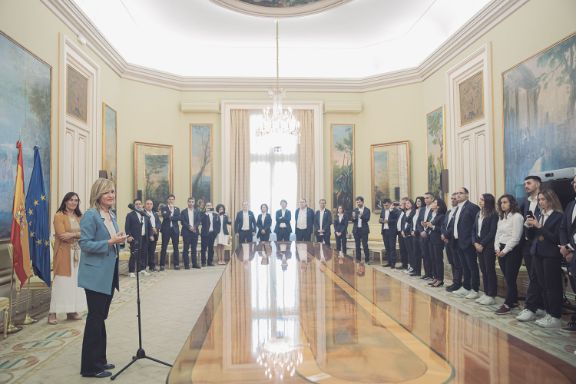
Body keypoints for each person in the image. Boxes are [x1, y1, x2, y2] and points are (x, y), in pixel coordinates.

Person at [78, 178, 126, 378]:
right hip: (95, 274)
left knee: (100, 318)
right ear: (98, 194)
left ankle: (100, 360)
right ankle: (89, 367)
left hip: (109, 274)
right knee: (95, 318)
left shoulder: (111, 214)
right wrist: (110, 241)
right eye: (107, 192)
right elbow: (85, 244)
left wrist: (121, 240)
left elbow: (113, 242)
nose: (111, 195)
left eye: (113, 192)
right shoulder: (90, 215)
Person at [521, 189, 564, 328]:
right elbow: (535, 236)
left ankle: (555, 316)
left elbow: (556, 238)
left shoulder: (558, 216)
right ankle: (548, 313)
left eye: (543, 199)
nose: (540, 202)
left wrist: (539, 226)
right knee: (543, 285)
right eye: (539, 200)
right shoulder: (539, 214)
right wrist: (529, 226)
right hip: (537, 253)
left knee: (553, 286)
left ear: (551, 200)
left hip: (551, 255)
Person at [48, 192, 86, 325]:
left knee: (75, 283)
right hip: (64, 254)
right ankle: (52, 312)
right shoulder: (59, 216)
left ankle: (71, 311)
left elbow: (86, 233)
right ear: (65, 201)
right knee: (62, 282)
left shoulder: (79, 217)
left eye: (76, 200)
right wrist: (77, 234)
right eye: (71, 200)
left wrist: (73, 234)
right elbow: (62, 235)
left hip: (77, 254)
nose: (73, 202)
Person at [519, 175, 546, 318]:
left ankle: (530, 307)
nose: (526, 186)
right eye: (524, 184)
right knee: (533, 275)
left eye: (529, 183)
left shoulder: (545, 200)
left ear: (538, 184)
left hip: (541, 243)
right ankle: (539, 306)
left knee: (537, 276)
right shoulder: (525, 201)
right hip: (527, 244)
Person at [494, 194, 524, 315]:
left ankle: (508, 303)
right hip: (500, 248)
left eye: (505, 202)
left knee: (510, 278)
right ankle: (514, 300)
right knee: (507, 277)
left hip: (512, 251)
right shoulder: (502, 217)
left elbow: (516, 238)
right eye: (501, 203)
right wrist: (496, 248)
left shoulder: (517, 217)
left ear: (511, 203)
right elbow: (497, 234)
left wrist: (504, 251)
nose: (503, 205)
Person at [451, 187, 480, 299]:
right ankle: (466, 287)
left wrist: (473, 241)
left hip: (468, 242)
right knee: (464, 266)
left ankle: (475, 289)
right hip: (458, 242)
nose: (458, 195)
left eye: (461, 193)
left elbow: (476, 225)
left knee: (472, 266)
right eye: (457, 193)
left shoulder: (472, 207)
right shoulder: (457, 208)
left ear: (467, 195)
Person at [472, 193, 498, 305]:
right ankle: (486, 293)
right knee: (483, 270)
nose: (480, 201)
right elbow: (473, 230)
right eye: (480, 199)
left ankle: (491, 295)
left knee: (489, 270)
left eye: (482, 200)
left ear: (488, 201)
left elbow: (492, 232)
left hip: (488, 246)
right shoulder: (478, 213)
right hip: (478, 245)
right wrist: (475, 243)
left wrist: (482, 244)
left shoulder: (493, 214)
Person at [559, 175, 576, 332]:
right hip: (570, 254)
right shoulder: (571, 204)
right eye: (574, 182)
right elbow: (564, 227)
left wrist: (569, 247)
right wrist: (565, 247)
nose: (575, 184)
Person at [125, 198, 152, 276]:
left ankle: (142, 269)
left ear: (142, 205)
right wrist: (129, 236)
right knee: (134, 254)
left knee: (144, 254)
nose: (138, 205)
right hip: (135, 238)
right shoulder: (130, 215)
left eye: (139, 204)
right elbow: (127, 227)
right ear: (134, 205)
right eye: (136, 204)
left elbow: (149, 226)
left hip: (144, 237)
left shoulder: (145, 214)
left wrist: (150, 235)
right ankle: (131, 271)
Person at [423, 198, 447, 287]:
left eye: (434, 202)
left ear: (439, 205)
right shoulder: (433, 214)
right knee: (433, 259)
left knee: (438, 260)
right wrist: (426, 225)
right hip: (430, 239)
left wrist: (432, 226)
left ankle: (440, 279)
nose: (432, 203)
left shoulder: (442, 216)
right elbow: (430, 226)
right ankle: (435, 277)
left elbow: (442, 229)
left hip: (437, 240)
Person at [442, 193, 463, 292]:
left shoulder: (459, 211)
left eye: (454, 198)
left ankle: (458, 283)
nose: (453, 200)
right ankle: (455, 281)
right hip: (446, 241)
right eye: (451, 199)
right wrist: (443, 234)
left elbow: (453, 227)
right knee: (451, 262)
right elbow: (444, 224)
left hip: (453, 240)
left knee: (457, 262)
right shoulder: (449, 211)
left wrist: (446, 235)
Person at [416, 193, 435, 278]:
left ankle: (433, 274)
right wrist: (421, 231)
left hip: (430, 235)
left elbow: (434, 222)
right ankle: (427, 273)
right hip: (422, 235)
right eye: (425, 198)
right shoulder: (422, 209)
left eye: (427, 198)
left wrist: (426, 231)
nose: (425, 200)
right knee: (424, 255)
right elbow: (418, 222)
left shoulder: (434, 209)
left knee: (431, 255)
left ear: (432, 199)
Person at [159, 194, 180, 271]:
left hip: (175, 230)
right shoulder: (163, 208)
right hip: (166, 230)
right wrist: (170, 211)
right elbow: (165, 216)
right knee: (164, 247)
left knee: (176, 247)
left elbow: (178, 217)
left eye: (172, 199)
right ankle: (162, 265)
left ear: (174, 200)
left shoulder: (177, 209)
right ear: (167, 200)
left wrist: (171, 217)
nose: (171, 200)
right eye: (170, 199)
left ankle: (176, 264)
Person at [181, 197, 201, 269]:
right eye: (190, 202)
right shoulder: (183, 211)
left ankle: (194, 264)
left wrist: (194, 227)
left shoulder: (197, 211)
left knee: (194, 249)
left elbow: (198, 221)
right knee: (186, 249)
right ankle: (186, 265)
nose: (191, 203)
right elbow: (182, 222)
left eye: (192, 202)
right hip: (186, 232)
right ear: (187, 202)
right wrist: (190, 227)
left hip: (195, 232)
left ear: (194, 203)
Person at [380, 198, 400, 268]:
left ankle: (393, 263)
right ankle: (389, 262)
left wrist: (388, 221)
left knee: (392, 247)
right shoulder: (382, 210)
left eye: (386, 205)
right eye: (384, 205)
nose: (385, 207)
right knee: (387, 248)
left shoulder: (395, 211)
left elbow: (396, 220)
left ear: (390, 204)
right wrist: (381, 220)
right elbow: (381, 218)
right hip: (384, 231)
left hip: (391, 231)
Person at [200, 202, 220, 266]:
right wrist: (206, 213)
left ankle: (210, 262)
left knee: (211, 249)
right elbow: (201, 221)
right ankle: (203, 262)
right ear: (205, 207)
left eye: (210, 205)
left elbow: (218, 224)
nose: (209, 206)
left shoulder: (215, 214)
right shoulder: (203, 214)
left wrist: (216, 232)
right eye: (207, 205)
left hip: (212, 234)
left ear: (212, 206)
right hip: (204, 234)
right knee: (203, 249)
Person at [352, 196, 371, 264]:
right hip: (356, 230)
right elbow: (353, 220)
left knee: (365, 245)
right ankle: (358, 259)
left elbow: (367, 219)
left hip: (364, 230)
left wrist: (361, 215)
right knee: (357, 246)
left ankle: (367, 260)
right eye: (357, 202)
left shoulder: (367, 210)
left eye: (359, 202)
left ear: (362, 202)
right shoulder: (355, 210)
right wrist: (353, 218)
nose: (358, 203)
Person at [409, 196, 425, 276]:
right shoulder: (415, 211)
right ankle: (416, 271)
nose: (417, 203)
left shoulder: (424, 210)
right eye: (416, 201)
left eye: (419, 201)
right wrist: (411, 230)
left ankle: (427, 273)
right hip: (414, 234)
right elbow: (412, 222)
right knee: (416, 253)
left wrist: (416, 231)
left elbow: (421, 224)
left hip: (420, 234)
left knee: (423, 254)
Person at [144, 199, 161, 272]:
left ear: (152, 205)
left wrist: (156, 228)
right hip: (147, 235)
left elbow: (159, 223)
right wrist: (151, 229)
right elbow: (145, 225)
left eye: (151, 204)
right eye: (147, 204)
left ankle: (152, 266)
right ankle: (143, 267)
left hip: (155, 235)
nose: (149, 205)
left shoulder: (155, 214)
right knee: (145, 251)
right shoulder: (143, 213)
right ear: (145, 205)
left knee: (152, 251)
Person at [401, 198, 416, 274]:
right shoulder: (405, 212)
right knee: (408, 251)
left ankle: (413, 267)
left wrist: (405, 230)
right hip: (405, 233)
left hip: (409, 234)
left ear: (412, 204)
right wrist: (402, 230)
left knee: (411, 252)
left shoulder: (413, 212)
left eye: (408, 203)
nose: (407, 204)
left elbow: (410, 223)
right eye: (406, 203)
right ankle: (409, 266)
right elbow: (403, 223)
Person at [396, 198, 409, 269]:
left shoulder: (408, 212)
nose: (402, 205)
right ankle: (403, 264)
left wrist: (404, 231)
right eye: (401, 203)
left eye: (404, 203)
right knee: (402, 249)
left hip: (405, 233)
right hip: (399, 233)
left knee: (407, 249)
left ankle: (408, 265)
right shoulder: (400, 212)